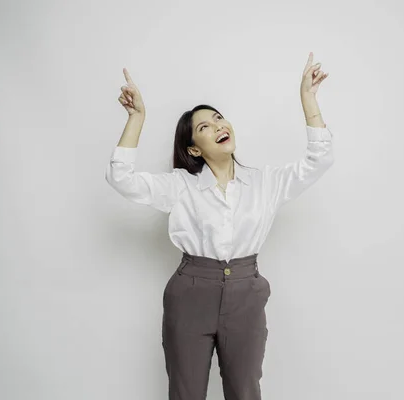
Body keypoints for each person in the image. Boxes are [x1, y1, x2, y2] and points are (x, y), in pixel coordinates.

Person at [105, 52, 334, 400]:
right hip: (190, 294)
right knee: (186, 394)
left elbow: (321, 160)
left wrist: (308, 99)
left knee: (245, 393)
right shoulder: (180, 186)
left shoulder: (265, 183)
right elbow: (120, 177)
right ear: (194, 150)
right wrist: (137, 118)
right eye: (204, 127)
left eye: (219, 119)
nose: (218, 126)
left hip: (246, 294)